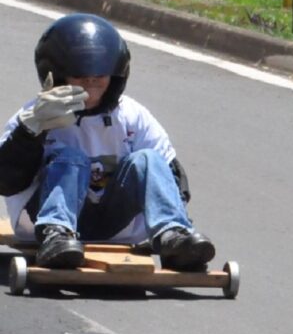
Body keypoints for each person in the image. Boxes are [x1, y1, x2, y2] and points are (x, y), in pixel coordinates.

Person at [0, 14, 216, 271]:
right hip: (41, 218)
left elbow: (171, 177)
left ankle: (172, 235)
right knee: (70, 157)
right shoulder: (34, 115)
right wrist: (30, 132)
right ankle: (56, 235)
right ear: (57, 74)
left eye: (99, 77)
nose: (90, 85)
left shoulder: (132, 116)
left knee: (148, 159)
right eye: (81, 77)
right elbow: (6, 182)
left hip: (116, 221)